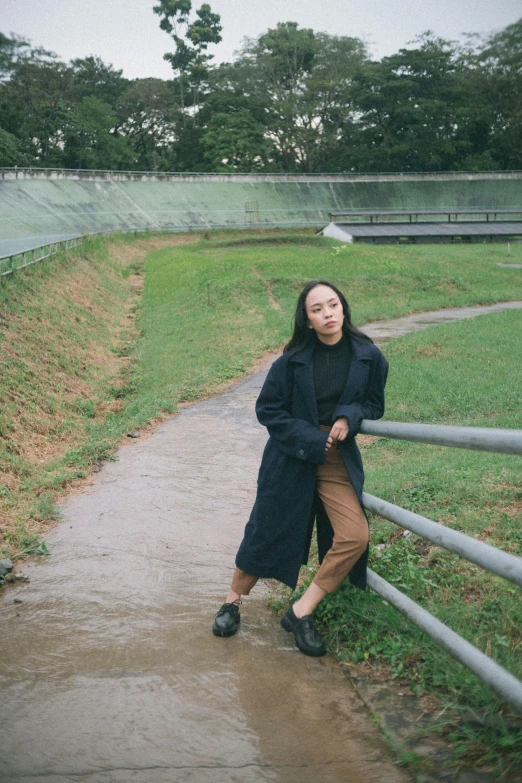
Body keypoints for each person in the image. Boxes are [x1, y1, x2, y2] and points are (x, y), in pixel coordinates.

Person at [212, 280, 389, 656]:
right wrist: (309, 437)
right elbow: (268, 410)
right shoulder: (290, 361)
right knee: (267, 528)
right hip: (291, 454)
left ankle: (301, 610)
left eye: (333, 305)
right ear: (307, 320)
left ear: (343, 308)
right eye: (317, 309)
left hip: (335, 459)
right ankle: (232, 602)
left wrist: (350, 415)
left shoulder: (368, 355)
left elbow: (374, 406)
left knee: (354, 536)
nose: (328, 313)